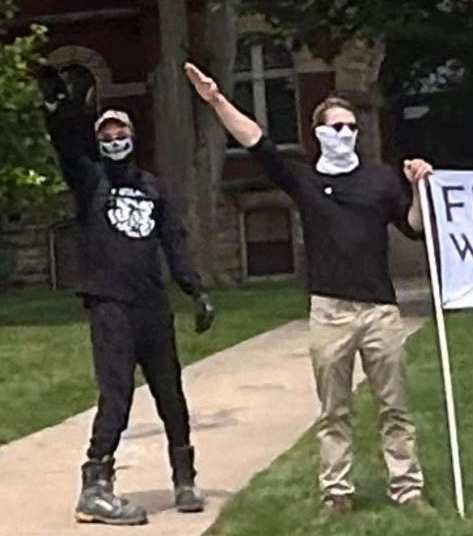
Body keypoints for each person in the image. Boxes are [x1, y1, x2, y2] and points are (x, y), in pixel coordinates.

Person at [185, 62, 434, 515]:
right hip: (330, 312)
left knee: (394, 407)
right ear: (318, 132)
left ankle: (408, 488)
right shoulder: (305, 179)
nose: (346, 133)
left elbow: (413, 228)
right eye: (337, 126)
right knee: (334, 412)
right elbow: (255, 141)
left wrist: (418, 189)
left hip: (380, 311)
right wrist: (216, 99)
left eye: (352, 127)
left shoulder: (380, 179)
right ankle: (336, 494)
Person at [38, 66, 215, 526]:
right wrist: (62, 112)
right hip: (109, 302)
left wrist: (195, 290)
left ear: (133, 137)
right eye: (107, 134)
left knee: (169, 392)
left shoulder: (152, 188)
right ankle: (96, 484)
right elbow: (67, 149)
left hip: (152, 305)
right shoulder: (92, 183)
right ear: (99, 141)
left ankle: (184, 477)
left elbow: (173, 241)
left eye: (121, 133)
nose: (115, 140)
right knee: (116, 393)